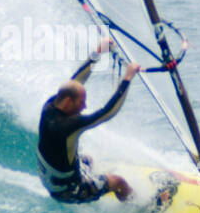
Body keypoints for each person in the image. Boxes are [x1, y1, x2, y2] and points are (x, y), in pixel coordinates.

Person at [37, 37, 141, 203]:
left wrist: (99, 52)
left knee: (89, 159)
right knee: (119, 182)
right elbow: (108, 112)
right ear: (69, 101)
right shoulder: (67, 126)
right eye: (81, 102)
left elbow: (75, 81)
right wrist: (128, 77)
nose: (84, 106)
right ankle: (141, 208)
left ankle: (98, 181)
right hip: (69, 190)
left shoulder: (50, 105)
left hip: (52, 180)